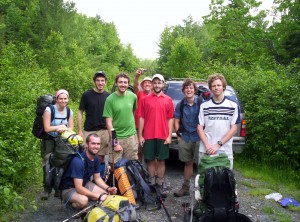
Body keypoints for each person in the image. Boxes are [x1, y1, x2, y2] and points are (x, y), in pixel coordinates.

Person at [138, 74, 174, 197]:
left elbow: (170, 119)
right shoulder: (145, 99)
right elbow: (141, 118)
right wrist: (140, 136)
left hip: (163, 135)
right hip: (148, 135)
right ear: (152, 84)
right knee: (150, 160)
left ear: (163, 84)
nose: (157, 85)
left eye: (159, 82)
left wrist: (169, 136)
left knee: (161, 160)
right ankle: (151, 183)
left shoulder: (168, 99)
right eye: (155, 82)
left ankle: (159, 183)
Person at [61, 133, 117, 210]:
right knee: (84, 201)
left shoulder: (96, 158)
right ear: (87, 144)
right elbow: (79, 188)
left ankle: (87, 195)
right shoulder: (78, 161)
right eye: (93, 143)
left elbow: (97, 178)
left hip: (84, 183)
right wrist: (98, 196)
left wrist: (108, 188)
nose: (96, 146)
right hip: (69, 188)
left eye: (98, 144)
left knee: (106, 194)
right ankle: (71, 205)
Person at [197, 73, 240, 169]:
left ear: (223, 87)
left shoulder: (233, 105)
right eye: (213, 86)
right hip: (206, 150)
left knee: (225, 182)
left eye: (219, 85)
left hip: (225, 150)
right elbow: (199, 128)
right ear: (210, 88)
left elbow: (234, 129)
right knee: (205, 181)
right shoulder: (204, 106)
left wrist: (218, 145)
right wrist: (208, 146)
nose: (216, 88)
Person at [42, 89, 74, 200]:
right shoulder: (49, 110)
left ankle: (58, 188)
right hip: (49, 139)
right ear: (56, 99)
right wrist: (59, 127)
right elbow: (46, 128)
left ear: (68, 99)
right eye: (61, 98)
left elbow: (70, 128)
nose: (63, 101)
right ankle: (46, 189)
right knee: (47, 162)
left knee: (61, 163)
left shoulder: (69, 111)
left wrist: (64, 129)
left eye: (65, 98)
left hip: (62, 140)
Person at [78, 71, 110, 174]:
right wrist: (79, 130)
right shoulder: (86, 95)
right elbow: (80, 112)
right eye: (98, 80)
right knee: (87, 156)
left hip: (104, 130)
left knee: (101, 158)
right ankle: (85, 179)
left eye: (102, 81)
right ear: (94, 82)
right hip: (89, 130)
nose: (100, 83)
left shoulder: (109, 96)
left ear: (105, 82)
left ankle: (99, 180)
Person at [173, 79, 201, 197]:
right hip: (186, 137)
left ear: (194, 90)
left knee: (201, 164)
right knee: (188, 163)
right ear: (184, 91)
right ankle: (185, 187)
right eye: (186, 88)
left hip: (200, 138)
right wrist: (179, 136)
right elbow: (176, 120)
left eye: (191, 88)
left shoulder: (201, 103)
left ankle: (202, 189)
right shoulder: (181, 104)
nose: (189, 90)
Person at [103, 72, 138, 164]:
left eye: (125, 82)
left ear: (128, 84)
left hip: (131, 138)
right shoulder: (110, 99)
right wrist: (115, 142)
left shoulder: (133, 97)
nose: (123, 85)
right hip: (117, 138)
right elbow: (108, 122)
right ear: (116, 83)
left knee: (132, 166)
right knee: (116, 168)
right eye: (120, 82)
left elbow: (133, 111)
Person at [134, 68, 152, 163]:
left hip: (150, 129)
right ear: (142, 85)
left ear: (152, 85)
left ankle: (150, 174)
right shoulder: (139, 94)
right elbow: (135, 86)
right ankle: (139, 172)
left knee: (150, 154)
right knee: (139, 152)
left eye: (149, 83)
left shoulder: (154, 95)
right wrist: (137, 76)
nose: (147, 84)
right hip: (138, 128)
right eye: (145, 83)